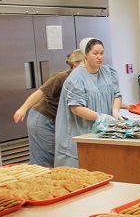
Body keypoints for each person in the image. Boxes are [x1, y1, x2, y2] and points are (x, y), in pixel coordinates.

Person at [54, 38, 124, 167]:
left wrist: (115, 110)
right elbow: (76, 108)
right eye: (95, 53)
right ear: (85, 55)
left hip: (101, 134)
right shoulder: (75, 79)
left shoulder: (108, 72)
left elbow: (116, 94)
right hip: (79, 135)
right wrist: (100, 117)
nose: (99, 57)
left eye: (102, 53)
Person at [13, 50, 85, 167]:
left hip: (55, 121)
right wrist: (23, 108)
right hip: (42, 118)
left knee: (56, 157)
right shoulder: (62, 77)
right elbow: (40, 92)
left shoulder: (83, 79)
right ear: (75, 63)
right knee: (45, 160)